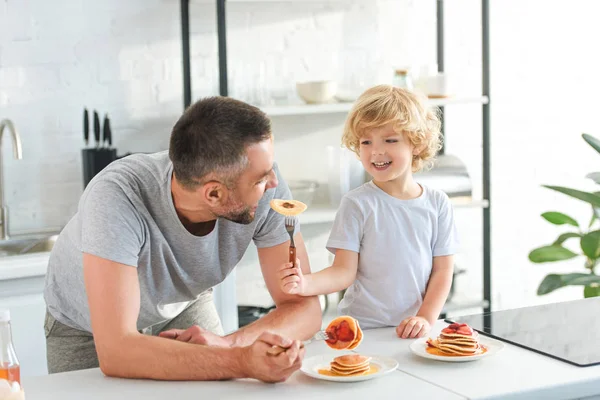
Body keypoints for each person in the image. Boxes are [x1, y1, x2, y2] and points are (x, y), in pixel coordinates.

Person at [43, 96, 322, 382]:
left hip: (183, 304)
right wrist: (240, 360)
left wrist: (229, 345)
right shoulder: (117, 196)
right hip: (86, 327)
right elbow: (117, 350)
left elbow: (304, 308)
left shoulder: (265, 186)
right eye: (260, 180)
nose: (274, 182)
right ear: (213, 194)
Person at [278, 85, 459, 338]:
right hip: (362, 331)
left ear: (417, 143)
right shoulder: (357, 204)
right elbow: (343, 272)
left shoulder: (438, 203)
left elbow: (442, 271)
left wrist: (425, 318)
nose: (377, 151)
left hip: (415, 329)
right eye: (366, 141)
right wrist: (305, 283)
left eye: (390, 140)